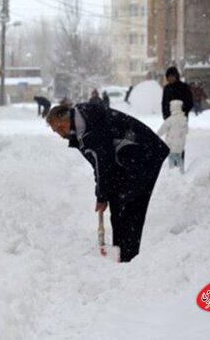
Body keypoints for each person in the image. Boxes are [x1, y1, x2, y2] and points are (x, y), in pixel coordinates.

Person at [46, 103, 169, 262]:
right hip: (129, 158)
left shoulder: (89, 127)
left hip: (145, 154)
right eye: (56, 131)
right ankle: (121, 252)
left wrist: (102, 196)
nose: (60, 134)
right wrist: (104, 193)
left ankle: (127, 258)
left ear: (67, 117)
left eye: (60, 127)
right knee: (118, 202)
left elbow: (103, 162)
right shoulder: (81, 126)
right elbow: (98, 164)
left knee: (129, 204)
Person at [157, 100, 188, 173]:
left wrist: (156, 135)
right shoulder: (184, 119)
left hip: (171, 143)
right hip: (180, 143)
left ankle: (172, 173)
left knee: (172, 159)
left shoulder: (170, 120)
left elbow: (162, 129)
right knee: (179, 158)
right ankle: (181, 172)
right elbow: (186, 131)